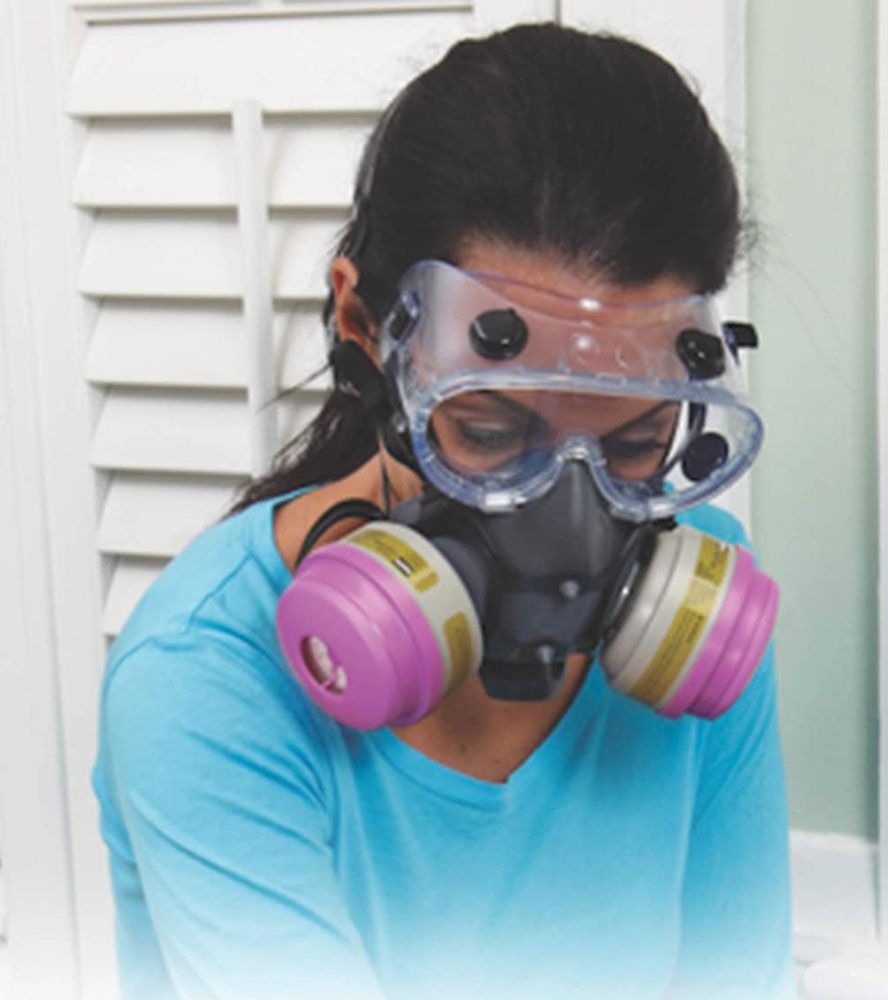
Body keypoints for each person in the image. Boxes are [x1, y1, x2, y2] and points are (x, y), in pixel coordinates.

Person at [91, 22, 794, 1000]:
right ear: (363, 328)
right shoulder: (207, 676)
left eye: (634, 443)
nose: (567, 523)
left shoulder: (700, 614)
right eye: (493, 432)